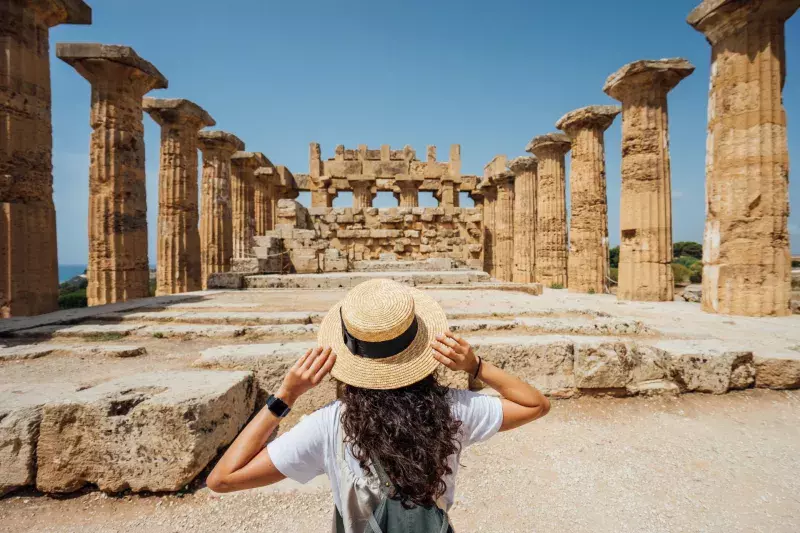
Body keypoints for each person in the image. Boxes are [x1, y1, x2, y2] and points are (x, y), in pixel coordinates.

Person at [207, 279, 550, 532]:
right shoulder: (454, 409)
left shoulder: (329, 424)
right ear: (423, 344)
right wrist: (476, 366)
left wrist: (285, 396)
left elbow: (222, 479)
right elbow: (536, 405)